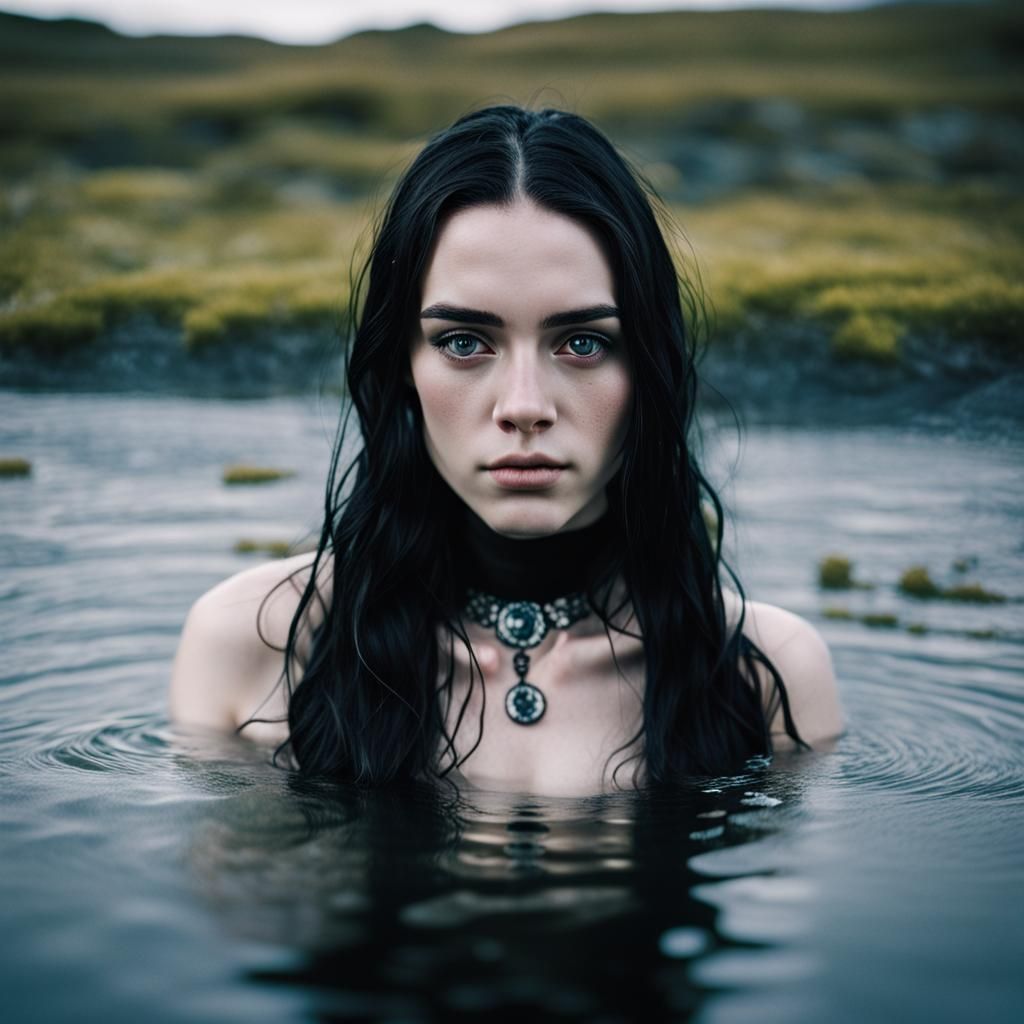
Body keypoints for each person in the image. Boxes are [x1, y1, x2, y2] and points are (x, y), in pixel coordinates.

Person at [169, 104, 844, 796]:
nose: (524, 405)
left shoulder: (769, 673)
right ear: (401, 365)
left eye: (583, 343)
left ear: (649, 367)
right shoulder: (255, 644)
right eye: (464, 342)